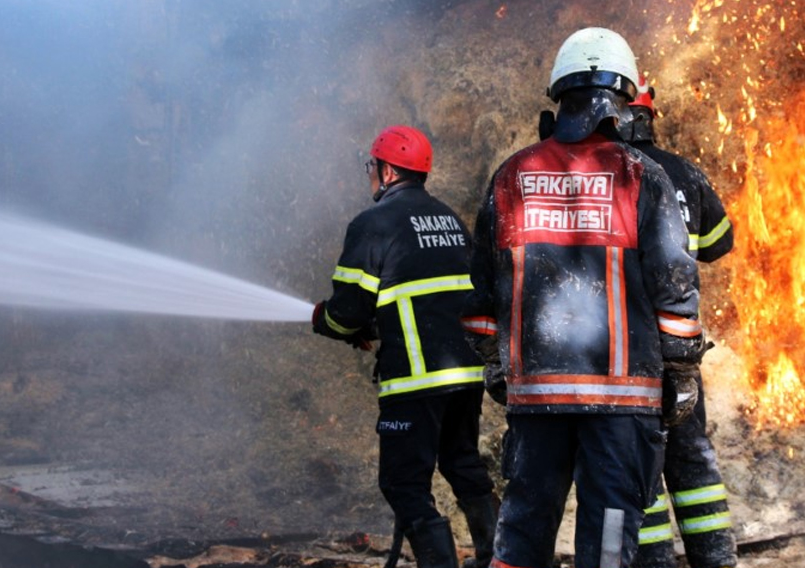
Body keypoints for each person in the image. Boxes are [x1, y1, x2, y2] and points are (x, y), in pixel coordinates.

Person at [462, 28, 705, 568]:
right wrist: (682, 373)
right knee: (609, 545)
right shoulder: (641, 175)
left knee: (521, 533)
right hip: (620, 409)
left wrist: (497, 365)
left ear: (558, 96)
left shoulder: (511, 176)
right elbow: (674, 285)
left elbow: (480, 293)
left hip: (537, 400)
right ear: (621, 102)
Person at [311, 125, 497, 568]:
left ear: (388, 170)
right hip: (466, 373)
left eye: (371, 167)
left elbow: (347, 311)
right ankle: (500, 558)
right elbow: (427, 294)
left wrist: (327, 320)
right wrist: (376, 323)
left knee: (403, 484)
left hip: (417, 380)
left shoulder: (373, 224)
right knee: (463, 464)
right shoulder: (448, 218)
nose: (370, 175)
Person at [622, 78, 737, 568]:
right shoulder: (684, 172)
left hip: (627, 350)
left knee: (636, 463)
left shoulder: (612, 173)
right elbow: (718, 243)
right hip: (681, 346)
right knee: (691, 457)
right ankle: (716, 558)